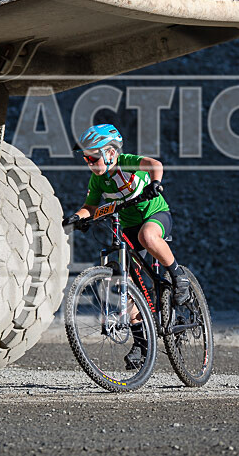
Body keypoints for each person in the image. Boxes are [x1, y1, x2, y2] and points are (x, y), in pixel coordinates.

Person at [63, 123, 191, 368]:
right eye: (85, 158)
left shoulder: (128, 161)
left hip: (154, 215)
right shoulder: (98, 180)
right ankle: (142, 344)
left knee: (147, 236)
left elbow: (155, 165)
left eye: (93, 157)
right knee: (127, 284)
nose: (89, 162)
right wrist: (77, 218)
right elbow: (89, 207)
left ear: (111, 153)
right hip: (128, 226)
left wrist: (155, 183)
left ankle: (178, 275)